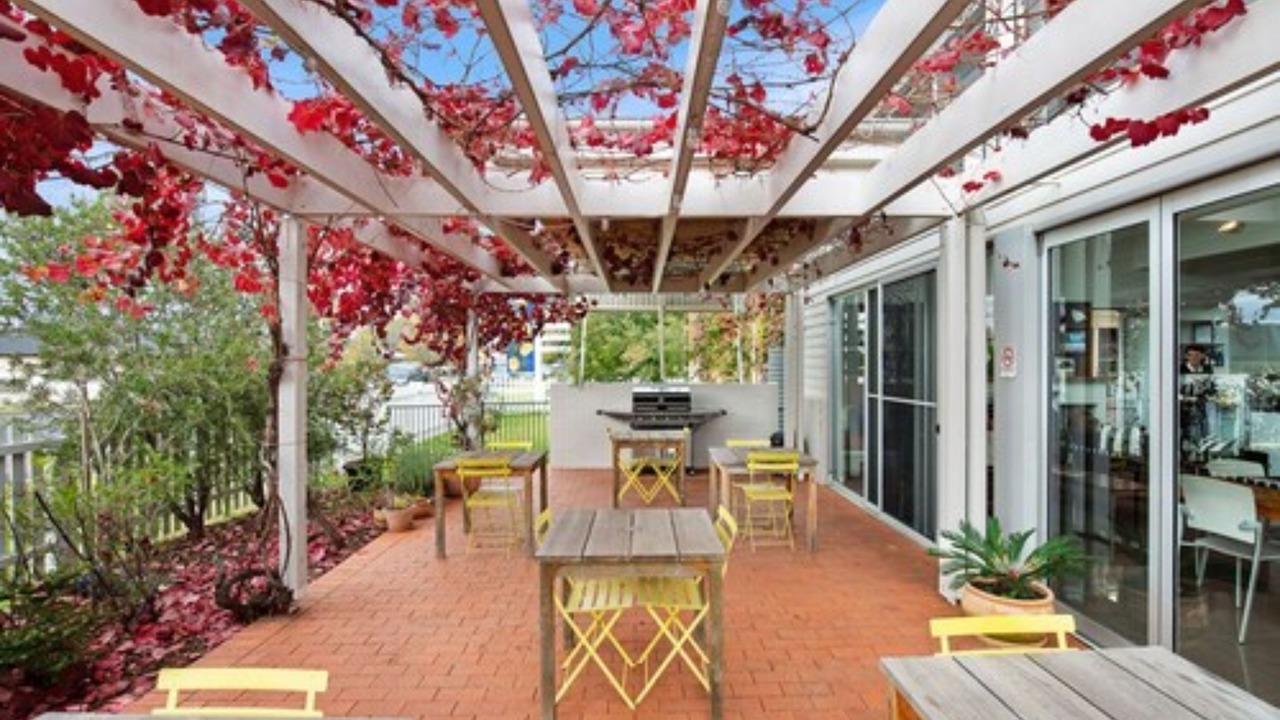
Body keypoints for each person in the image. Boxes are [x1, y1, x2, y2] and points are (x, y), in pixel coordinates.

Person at [1179, 344, 1214, 461]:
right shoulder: (1180, 370)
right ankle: (1187, 457)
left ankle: (1203, 456)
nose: (1194, 358)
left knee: (1204, 431)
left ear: (1203, 356)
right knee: (1188, 432)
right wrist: (1186, 398)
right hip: (1185, 408)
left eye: (1197, 355)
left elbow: (1211, 387)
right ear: (1186, 356)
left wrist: (1209, 395)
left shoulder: (1207, 369)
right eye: (1191, 355)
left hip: (1202, 407)